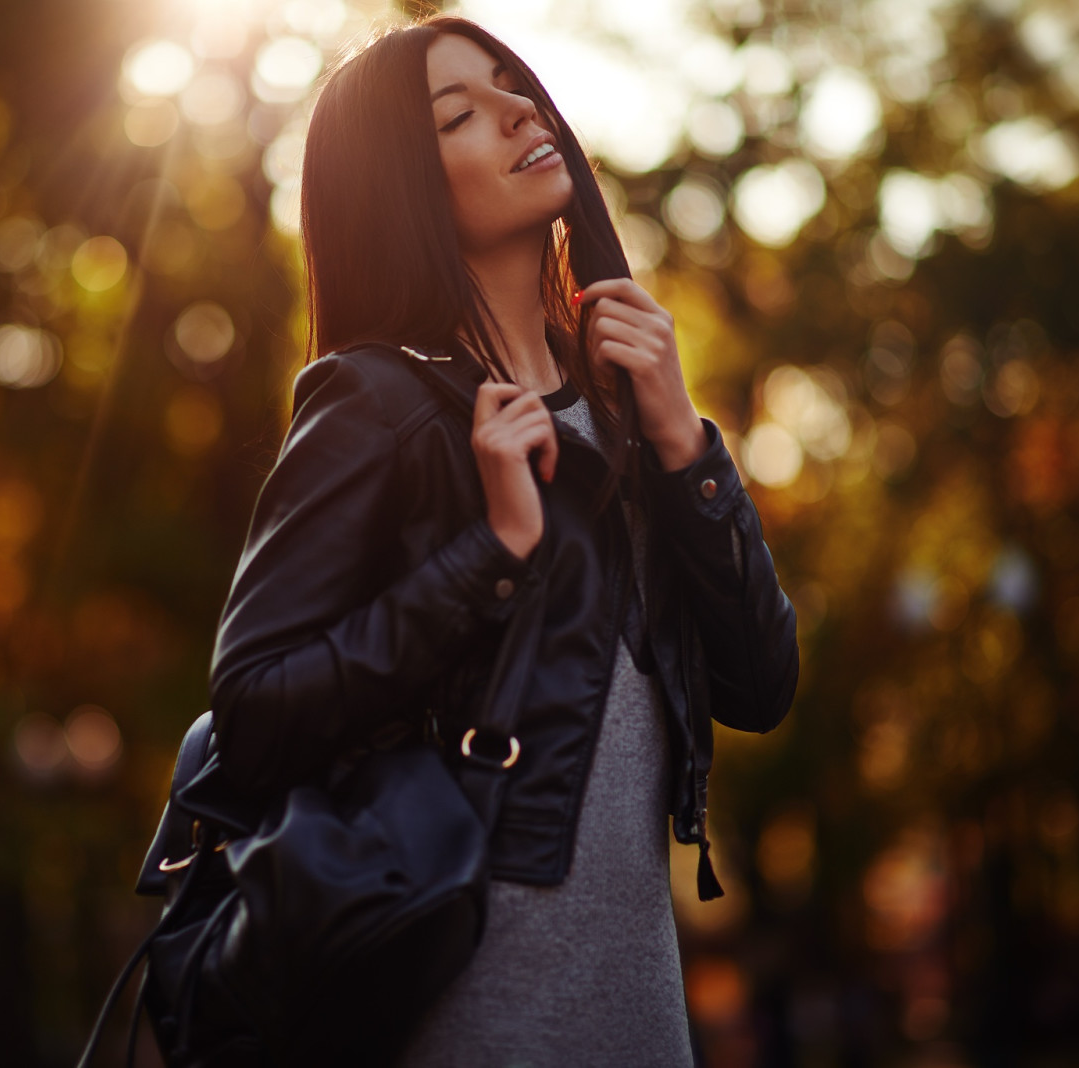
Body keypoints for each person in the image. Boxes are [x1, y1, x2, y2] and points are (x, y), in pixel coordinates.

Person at [206, 14, 799, 1067]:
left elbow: (758, 685)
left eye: (509, 82)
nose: (519, 107)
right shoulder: (375, 405)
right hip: (473, 1020)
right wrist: (490, 554)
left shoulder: (626, 418)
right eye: (457, 114)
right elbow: (252, 714)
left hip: (642, 1021)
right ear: (403, 186)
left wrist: (683, 446)